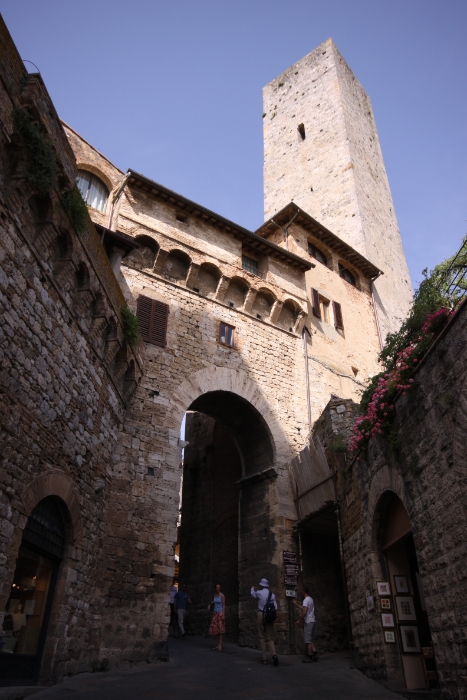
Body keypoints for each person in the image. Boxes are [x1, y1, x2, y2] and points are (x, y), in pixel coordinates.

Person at [251, 578, 279, 666]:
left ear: (261, 585)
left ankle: (264, 659)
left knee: (262, 637)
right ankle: (274, 654)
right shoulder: (272, 595)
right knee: (270, 637)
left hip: (261, 614)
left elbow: (253, 595)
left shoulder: (259, 593)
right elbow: (275, 607)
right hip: (269, 616)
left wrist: (252, 588)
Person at [293, 585, 318, 662]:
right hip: (312, 620)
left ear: (303, 591)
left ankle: (309, 657)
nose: (300, 592)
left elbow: (304, 611)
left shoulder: (305, 600)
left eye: (301, 590)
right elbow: (304, 607)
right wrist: (296, 603)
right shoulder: (310, 599)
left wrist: (300, 620)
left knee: (307, 640)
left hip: (308, 621)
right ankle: (315, 653)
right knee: (310, 638)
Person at [207, 583, 225, 651]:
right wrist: (209, 605)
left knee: (220, 631)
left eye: (219, 587)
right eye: (217, 587)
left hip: (220, 613)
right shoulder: (214, 596)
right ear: (215, 588)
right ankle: (217, 644)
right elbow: (212, 602)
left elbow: (223, 605)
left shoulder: (222, 595)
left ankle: (220, 645)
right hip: (215, 613)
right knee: (216, 630)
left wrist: (223, 615)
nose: (218, 588)